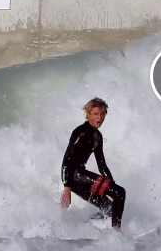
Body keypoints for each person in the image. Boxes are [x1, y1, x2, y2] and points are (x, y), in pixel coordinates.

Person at [60, 97, 126, 231]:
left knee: (109, 207)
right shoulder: (80, 133)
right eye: (96, 114)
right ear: (88, 114)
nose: (100, 118)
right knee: (120, 193)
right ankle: (117, 232)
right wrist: (67, 186)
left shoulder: (97, 136)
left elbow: (101, 164)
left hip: (79, 179)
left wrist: (111, 184)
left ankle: (87, 228)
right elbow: (67, 160)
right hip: (75, 176)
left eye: (102, 114)